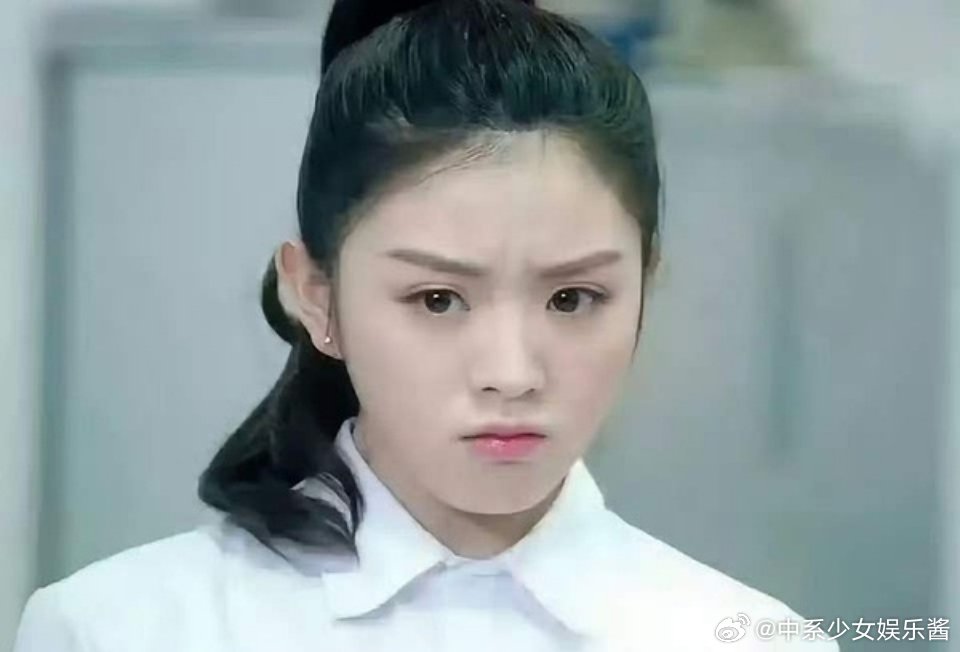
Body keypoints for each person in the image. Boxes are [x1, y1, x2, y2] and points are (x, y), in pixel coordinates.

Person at [14, 0, 840, 650]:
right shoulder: (121, 630)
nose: (511, 373)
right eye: (438, 300)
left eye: (572, 299)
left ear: (646, 289)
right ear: (316, 298)